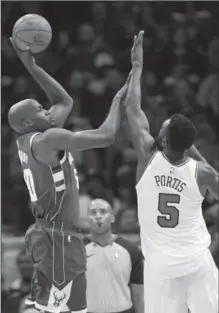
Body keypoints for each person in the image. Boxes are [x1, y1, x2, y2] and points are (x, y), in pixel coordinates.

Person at [8, 37, 130, 313]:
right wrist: (117, 100)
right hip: (56, 236)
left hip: (55, 235)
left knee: (69, 308)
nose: (47, 110)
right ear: (28, 122)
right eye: (40, 109)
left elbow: (64, 100)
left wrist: (32, 66)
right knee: (53, 310)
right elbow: (107, 136)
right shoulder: (47, 139)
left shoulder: (32, 140)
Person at [124, 30, 219, 313]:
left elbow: (131, 108)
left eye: (163, 127)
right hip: (197, 263)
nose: (159, 126)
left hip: (160, 268)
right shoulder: (201, 172)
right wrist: (194, 152)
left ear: (163, 140)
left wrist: (137, 67)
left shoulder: (147, 156)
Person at [84, 198, 144, 313]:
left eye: (103, 212)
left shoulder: (130, 250)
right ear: (88, 218)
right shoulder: (75, 251)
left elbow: (139, 294)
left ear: (112, 217)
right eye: (93, 213)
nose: (98, 216)